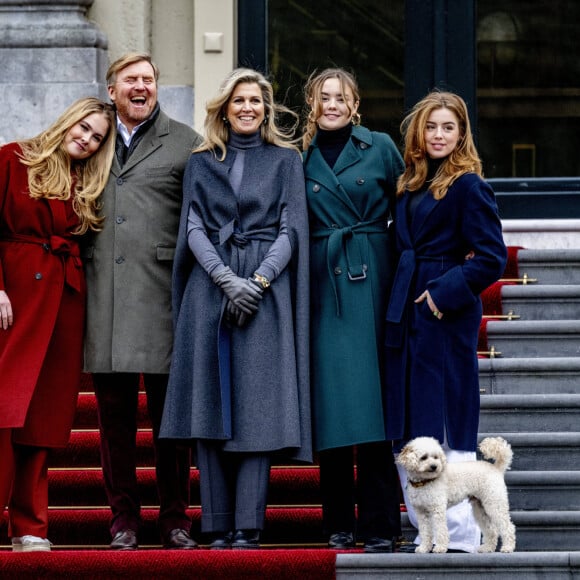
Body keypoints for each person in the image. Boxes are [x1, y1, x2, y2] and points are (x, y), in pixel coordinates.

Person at [160, 68, 311, 550]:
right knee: (210, 404)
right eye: (238, 100)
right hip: (210, 289)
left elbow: (291, 230)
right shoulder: (202, 161)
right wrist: (226, 280)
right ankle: (216, 524)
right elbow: (194, 227)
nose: (247, 107)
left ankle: (249, 524)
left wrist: (259, 281)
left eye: (256, 100)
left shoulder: (286, 161)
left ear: (266, 109)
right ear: (224, 108)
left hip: (267, 293)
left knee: (258, 407)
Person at [83, 53, 203, 551]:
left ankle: (175, 519)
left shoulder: (186, 142)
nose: (141, 87)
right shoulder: (89, 136)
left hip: (163, 298)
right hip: (103, 298)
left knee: (171, 425)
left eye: (149, 80)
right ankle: (124, 521)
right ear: (112, 90)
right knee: (113, 424)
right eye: (130, 80)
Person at [384, 90, 508, 553]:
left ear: (461, 135)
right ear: (420, 132)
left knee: (444, 411)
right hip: (404, 309)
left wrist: (442, 293)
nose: (438, 135)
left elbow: (492, 258)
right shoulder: (409, 184)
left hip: (444, 312)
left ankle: (457, 534)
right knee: (411, 415)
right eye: (431, 127)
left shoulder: (471, 186)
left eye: (448, 128)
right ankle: (425, 530)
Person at [0, 97, 116, 552]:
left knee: (41, 421)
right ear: (68, 120)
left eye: (96, 138)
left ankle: (29, 527)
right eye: (84, 128)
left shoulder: (86, 184)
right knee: (6, 410)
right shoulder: (13, 158)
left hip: (63, 303)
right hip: (15, 301)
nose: (86, 140)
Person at [301, 68, 403, 553]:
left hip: (374, 274)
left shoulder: (380, 146)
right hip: (325, 282)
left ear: (355, 103)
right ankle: (338, 521)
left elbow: (407, 211)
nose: (333, 104)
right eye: (325, 97)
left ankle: (382, 523)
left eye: (341, 97)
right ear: (313, 104)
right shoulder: (298, 156)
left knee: (376, 404)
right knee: (335, 405)